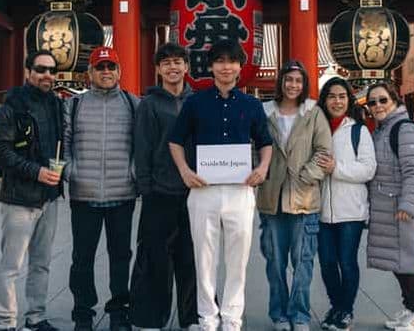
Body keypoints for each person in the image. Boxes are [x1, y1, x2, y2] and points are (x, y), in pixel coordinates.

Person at [168, 38, 273, 331]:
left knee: (238, 260)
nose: (226, 67)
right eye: (220, 61)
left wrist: (262, 168)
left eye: (232, 61)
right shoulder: (195, 102)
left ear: (240, 67)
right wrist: (185, 171)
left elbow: (266, 143)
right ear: (211, 66)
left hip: (240, 192)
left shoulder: (252, 105)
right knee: (204, 258)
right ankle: (207, 318)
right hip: (203, 191)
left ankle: (232, 318)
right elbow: (175, 142)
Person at [63, 46, 141, 331]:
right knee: (81, 257)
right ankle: (83, 310)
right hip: (84, 193)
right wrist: (71, 171)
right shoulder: (75, 105)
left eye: (111, 67)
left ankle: (119, 308)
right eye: (100, 67)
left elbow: (141, 145)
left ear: (119, 71)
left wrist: (134, 172)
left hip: (122, 193)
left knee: (121, 255)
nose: (106, 72)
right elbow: (65, 142)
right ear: (90, 73)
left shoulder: (134, 104)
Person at [0, 50, 64, 331]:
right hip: (20, 198)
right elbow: (1, 152)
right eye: (41, 69)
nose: (48, 75)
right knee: (12, 266)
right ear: (28, 72)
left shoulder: (56, 105)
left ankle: (36, 318)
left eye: (52, 70)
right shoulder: (12, 107)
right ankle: (5, 322)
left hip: (50, 197)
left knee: (42, 263)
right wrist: (36, 171)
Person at [257, 60, 332, 331]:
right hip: (271, 199)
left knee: (303, 262)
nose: (293, 85)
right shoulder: (264, 112)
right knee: (275, 262)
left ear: (305, 85)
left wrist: (305, 175)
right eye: (288, 79)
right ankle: (278, 314)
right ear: (280, 82)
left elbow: (324, 151)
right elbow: (255, 147)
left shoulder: (314, 113)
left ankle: (299, 315)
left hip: (304, 199)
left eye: (298, 81)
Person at [129, 43, 198, 331]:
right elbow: (142, 148)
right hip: (159, 192)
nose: (173, 67)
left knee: (192, 257)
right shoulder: (149, 104)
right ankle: (150, 318)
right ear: (158, 69)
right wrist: (146, 188)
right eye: (166, 63)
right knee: (154, 257)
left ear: (187, 67)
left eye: (178, 62)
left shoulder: (197, 101)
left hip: (194, 191)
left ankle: (192, 318)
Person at [365, 81, 414, 331]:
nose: (377, 106)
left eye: (383, 100)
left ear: (395, 100)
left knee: (405, 262)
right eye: (372, 102)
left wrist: (407, 204)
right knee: (399, 263)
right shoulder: (382, 129)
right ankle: (411, 308)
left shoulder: (403, 130)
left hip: (401, 208)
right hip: (388, 206)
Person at [315, 77, 377, 331]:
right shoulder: (317, 128)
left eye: (341, 96)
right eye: (331, 96)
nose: (337, 101)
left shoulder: (357, 131)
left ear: (348, 100)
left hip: (350, 211)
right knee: (327, 263)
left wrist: (335, 168)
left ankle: (346, 310)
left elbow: (368, 169)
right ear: (324, 100)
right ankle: (336, 306)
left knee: (346, 261)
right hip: (320, 211)